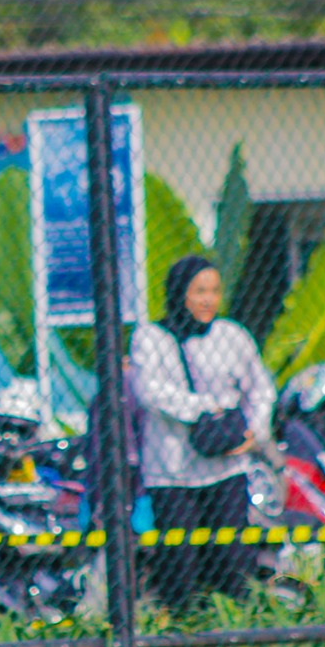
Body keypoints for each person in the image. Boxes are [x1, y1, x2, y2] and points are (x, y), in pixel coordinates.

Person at [130, 254, 275, 611]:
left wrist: (253, 429)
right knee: (180, 562)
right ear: (179, 293)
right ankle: (183, 630)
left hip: (226, 468)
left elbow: (261, 388)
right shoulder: (151, 337)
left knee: (232, 558)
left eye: (214, 291)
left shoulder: (233, 335)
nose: (209, 299)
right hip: (173, 472)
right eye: (199, 291)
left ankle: (232, 631)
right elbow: (148, 390)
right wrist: (204, 411)